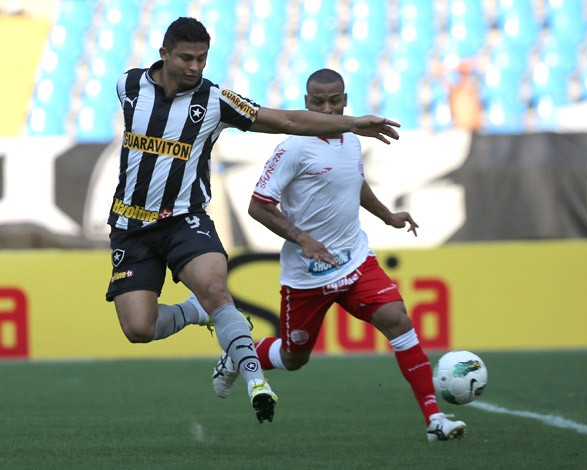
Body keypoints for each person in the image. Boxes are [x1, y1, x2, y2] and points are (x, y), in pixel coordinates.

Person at [104, 18, 400, 425]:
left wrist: (351, 124)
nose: (195, 67)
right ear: (164, 55)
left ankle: (255, 382)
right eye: (186, 58)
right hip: (131, 227)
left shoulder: (215, 100)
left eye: (202, 58)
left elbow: (288, 121)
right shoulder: (128, 86)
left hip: (185, 219)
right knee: (139, 328)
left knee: (215, 287)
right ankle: (195, 312)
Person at [211, 68, 467, 441]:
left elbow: (355, 182)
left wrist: (388, 216)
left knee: (398, 320)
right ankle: (239, 355)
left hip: (355, 260)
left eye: (335, 101)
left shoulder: (351, 139)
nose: (328, 110)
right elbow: (258, 206)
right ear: (306, 104)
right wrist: (304, 239)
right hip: (307, 273)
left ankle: (434, 418)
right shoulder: (293, 147)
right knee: (294, 358)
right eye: (319, 102)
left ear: (345, 101)